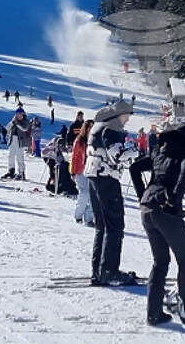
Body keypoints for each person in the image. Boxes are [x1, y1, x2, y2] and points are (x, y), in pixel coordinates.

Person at [130, 122, 185, 326]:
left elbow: (134, 168)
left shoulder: (160, 150)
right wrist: (174, 201)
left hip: (147, 208)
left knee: (160, 261)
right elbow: (184, 173)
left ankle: (153, 313)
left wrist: (142, 195)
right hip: (166, 211)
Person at [84, 100, 137, 286]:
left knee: (102, 226)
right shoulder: (111, 129)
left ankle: (98, 271)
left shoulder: (98, 127)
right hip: (106, 178)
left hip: (94, 177)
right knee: (115, 225)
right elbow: (118, 155)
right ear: (118, 114)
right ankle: (109, 271)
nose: (128, 119)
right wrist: (135, 152)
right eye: (126, 115)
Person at [71, 119, 95, 225]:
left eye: (92, 127)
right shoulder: (79, 140)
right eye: (89, 127)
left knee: (93, 196)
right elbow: (74, 157)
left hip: (92, 170)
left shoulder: (95, 141)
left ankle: (89, 218)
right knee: (84, 193)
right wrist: (73, 172)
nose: (91, 129)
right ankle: (78, 215)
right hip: (81, 170)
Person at [3, 108, 31, 180]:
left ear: (23, 114)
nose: (19, 115)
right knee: (11, 156)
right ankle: (11, 170)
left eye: (20, 114)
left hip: (20, 141)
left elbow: (24, 129)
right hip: (12, 139)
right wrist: (12, 122)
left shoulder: (26, 121)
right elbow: (7, 128)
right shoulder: (14, 120)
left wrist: (17, 123)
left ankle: (21, 173)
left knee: (19, 157)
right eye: (17, 114)